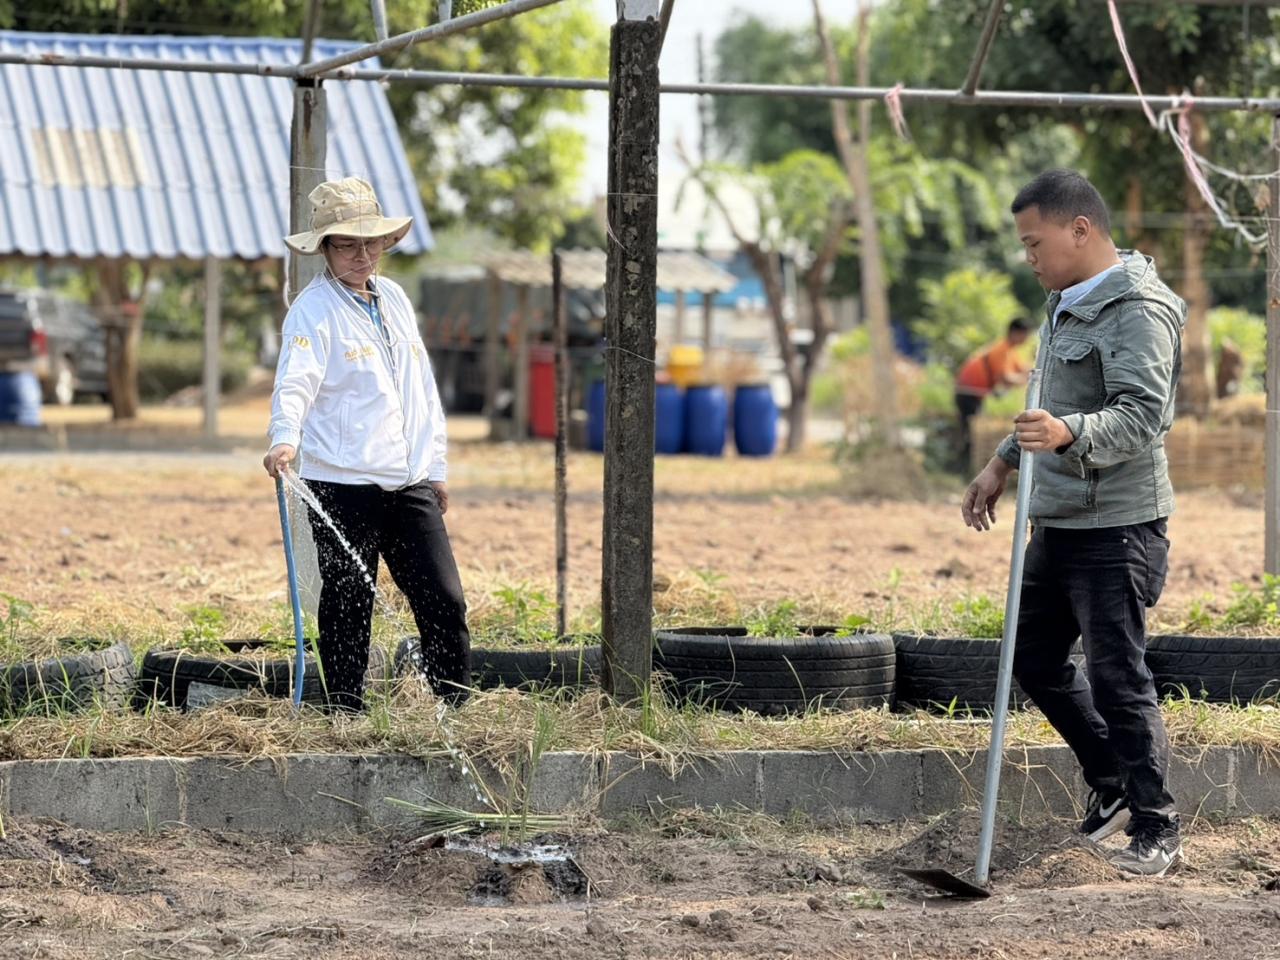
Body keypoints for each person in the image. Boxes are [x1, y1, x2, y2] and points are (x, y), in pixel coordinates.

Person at [962, 169, 1187, 877]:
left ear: (1080, 230)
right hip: (1056, 520)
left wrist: (1067, 432)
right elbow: (1046, 401)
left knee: (1119, 676)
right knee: (1031, 658)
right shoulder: (1065, 302)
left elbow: (1144, 416)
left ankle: (1157, 826)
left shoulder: (1140, 310)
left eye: (1035, 242)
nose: (1028, 256)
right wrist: (1001, 462)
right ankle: (1113, 780)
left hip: (1117, 527)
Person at [262, 177, 470, 712]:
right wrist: (285, 440)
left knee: (443, 597)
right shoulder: (313, 311)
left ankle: (456, 705)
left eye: (369, 242)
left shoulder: (396, 299)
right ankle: (346, 711)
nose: (361, 255)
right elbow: (296, 382)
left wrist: (436, 466)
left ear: (383, 243)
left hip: (409, 479)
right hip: (342, 481)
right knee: (350, 598)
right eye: (346, 244)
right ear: (325, 249)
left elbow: (422, 389)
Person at [953, 319, 1033, 472]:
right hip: (968, 392)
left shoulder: (1010, 351)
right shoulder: (1000, 350)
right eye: (1025, 335)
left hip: (975, 394)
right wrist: (1027, 379)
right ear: (1016, 333)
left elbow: (1022, 369)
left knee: (971, 431)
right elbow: (1005, 377)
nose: (1026, 339)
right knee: (969, 433)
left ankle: (966, 466)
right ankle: (963, 467)